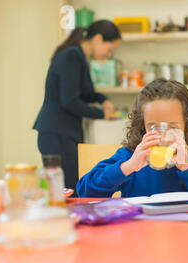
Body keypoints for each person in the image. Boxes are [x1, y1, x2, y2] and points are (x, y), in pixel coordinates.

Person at [77, 79, 188, 198]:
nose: (163, 137)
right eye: (153, 128)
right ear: (142, 127)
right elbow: (85, 191)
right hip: (138, 233)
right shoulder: (130, 156)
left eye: (172, 128)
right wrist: (127, 167)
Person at [33, 20, 122, 195]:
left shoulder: (79, 57)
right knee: (69, 190)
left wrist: (103, 99)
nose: (109, 54)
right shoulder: (72, 56)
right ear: (97, 39)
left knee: (67, 189)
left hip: (61, 133)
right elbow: (70, 101)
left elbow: (85, 94)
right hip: (57, 133)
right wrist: (101, 114)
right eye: (109, 49)